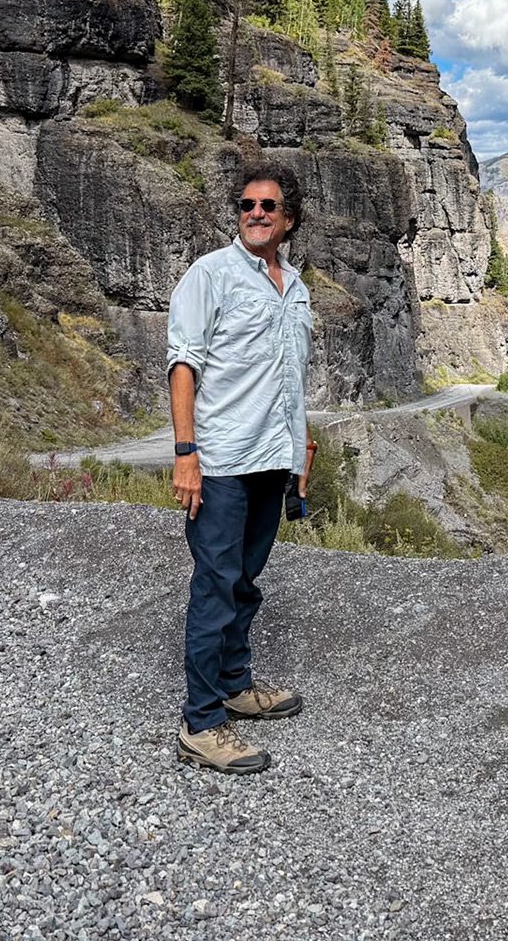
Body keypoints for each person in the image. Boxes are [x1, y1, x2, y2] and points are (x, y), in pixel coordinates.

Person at [165, 160, 317, 774]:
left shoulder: (297, 287)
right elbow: (183, 366)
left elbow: (292, 381)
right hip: (222, 461)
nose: (256, 213)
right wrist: (185, 453)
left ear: (288, 220)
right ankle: (202, 721)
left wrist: (299, 455)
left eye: (269, 206)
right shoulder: (212, 275)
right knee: (215, 585)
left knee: (245, 580)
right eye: (248, 204)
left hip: (271, 459)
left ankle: (233, 683)